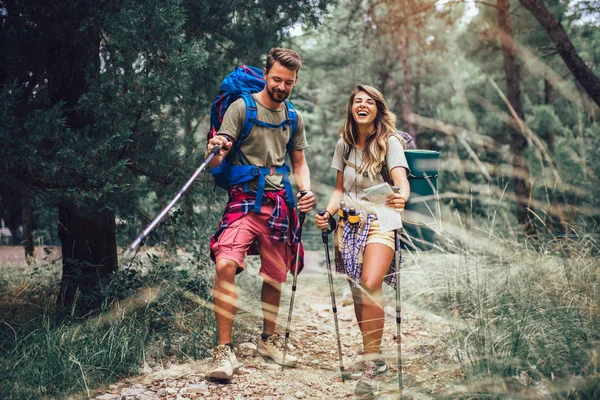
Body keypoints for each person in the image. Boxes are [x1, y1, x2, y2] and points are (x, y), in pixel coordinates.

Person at [205, 48, 315, 381]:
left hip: (279, 201)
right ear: (267, 74)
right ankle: (225, 351)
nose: (282, 86)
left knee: (275, 274)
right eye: (277, 79)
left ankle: (268, 341)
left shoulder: (293, 116)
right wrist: (215, 149)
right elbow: (216, 161)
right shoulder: (242, 108)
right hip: (243, 200)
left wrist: (306, 190)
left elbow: (299, 163)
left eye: (289, 83)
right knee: (225, 263)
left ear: (295, 83)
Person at [314, 84, 410, 398]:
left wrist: (401, 199)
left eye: (369, 101)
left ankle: (369, 368)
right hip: (350, 223)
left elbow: (401, 181)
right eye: (357, 101)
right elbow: (339, 189)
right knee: (357, 290)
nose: (363, 105)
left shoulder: (390, 141)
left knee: (370, 282)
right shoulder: (344, 143)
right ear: (351, 108)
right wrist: (327, 214)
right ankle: (376, 355)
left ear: (378, 109)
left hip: (382, 218)